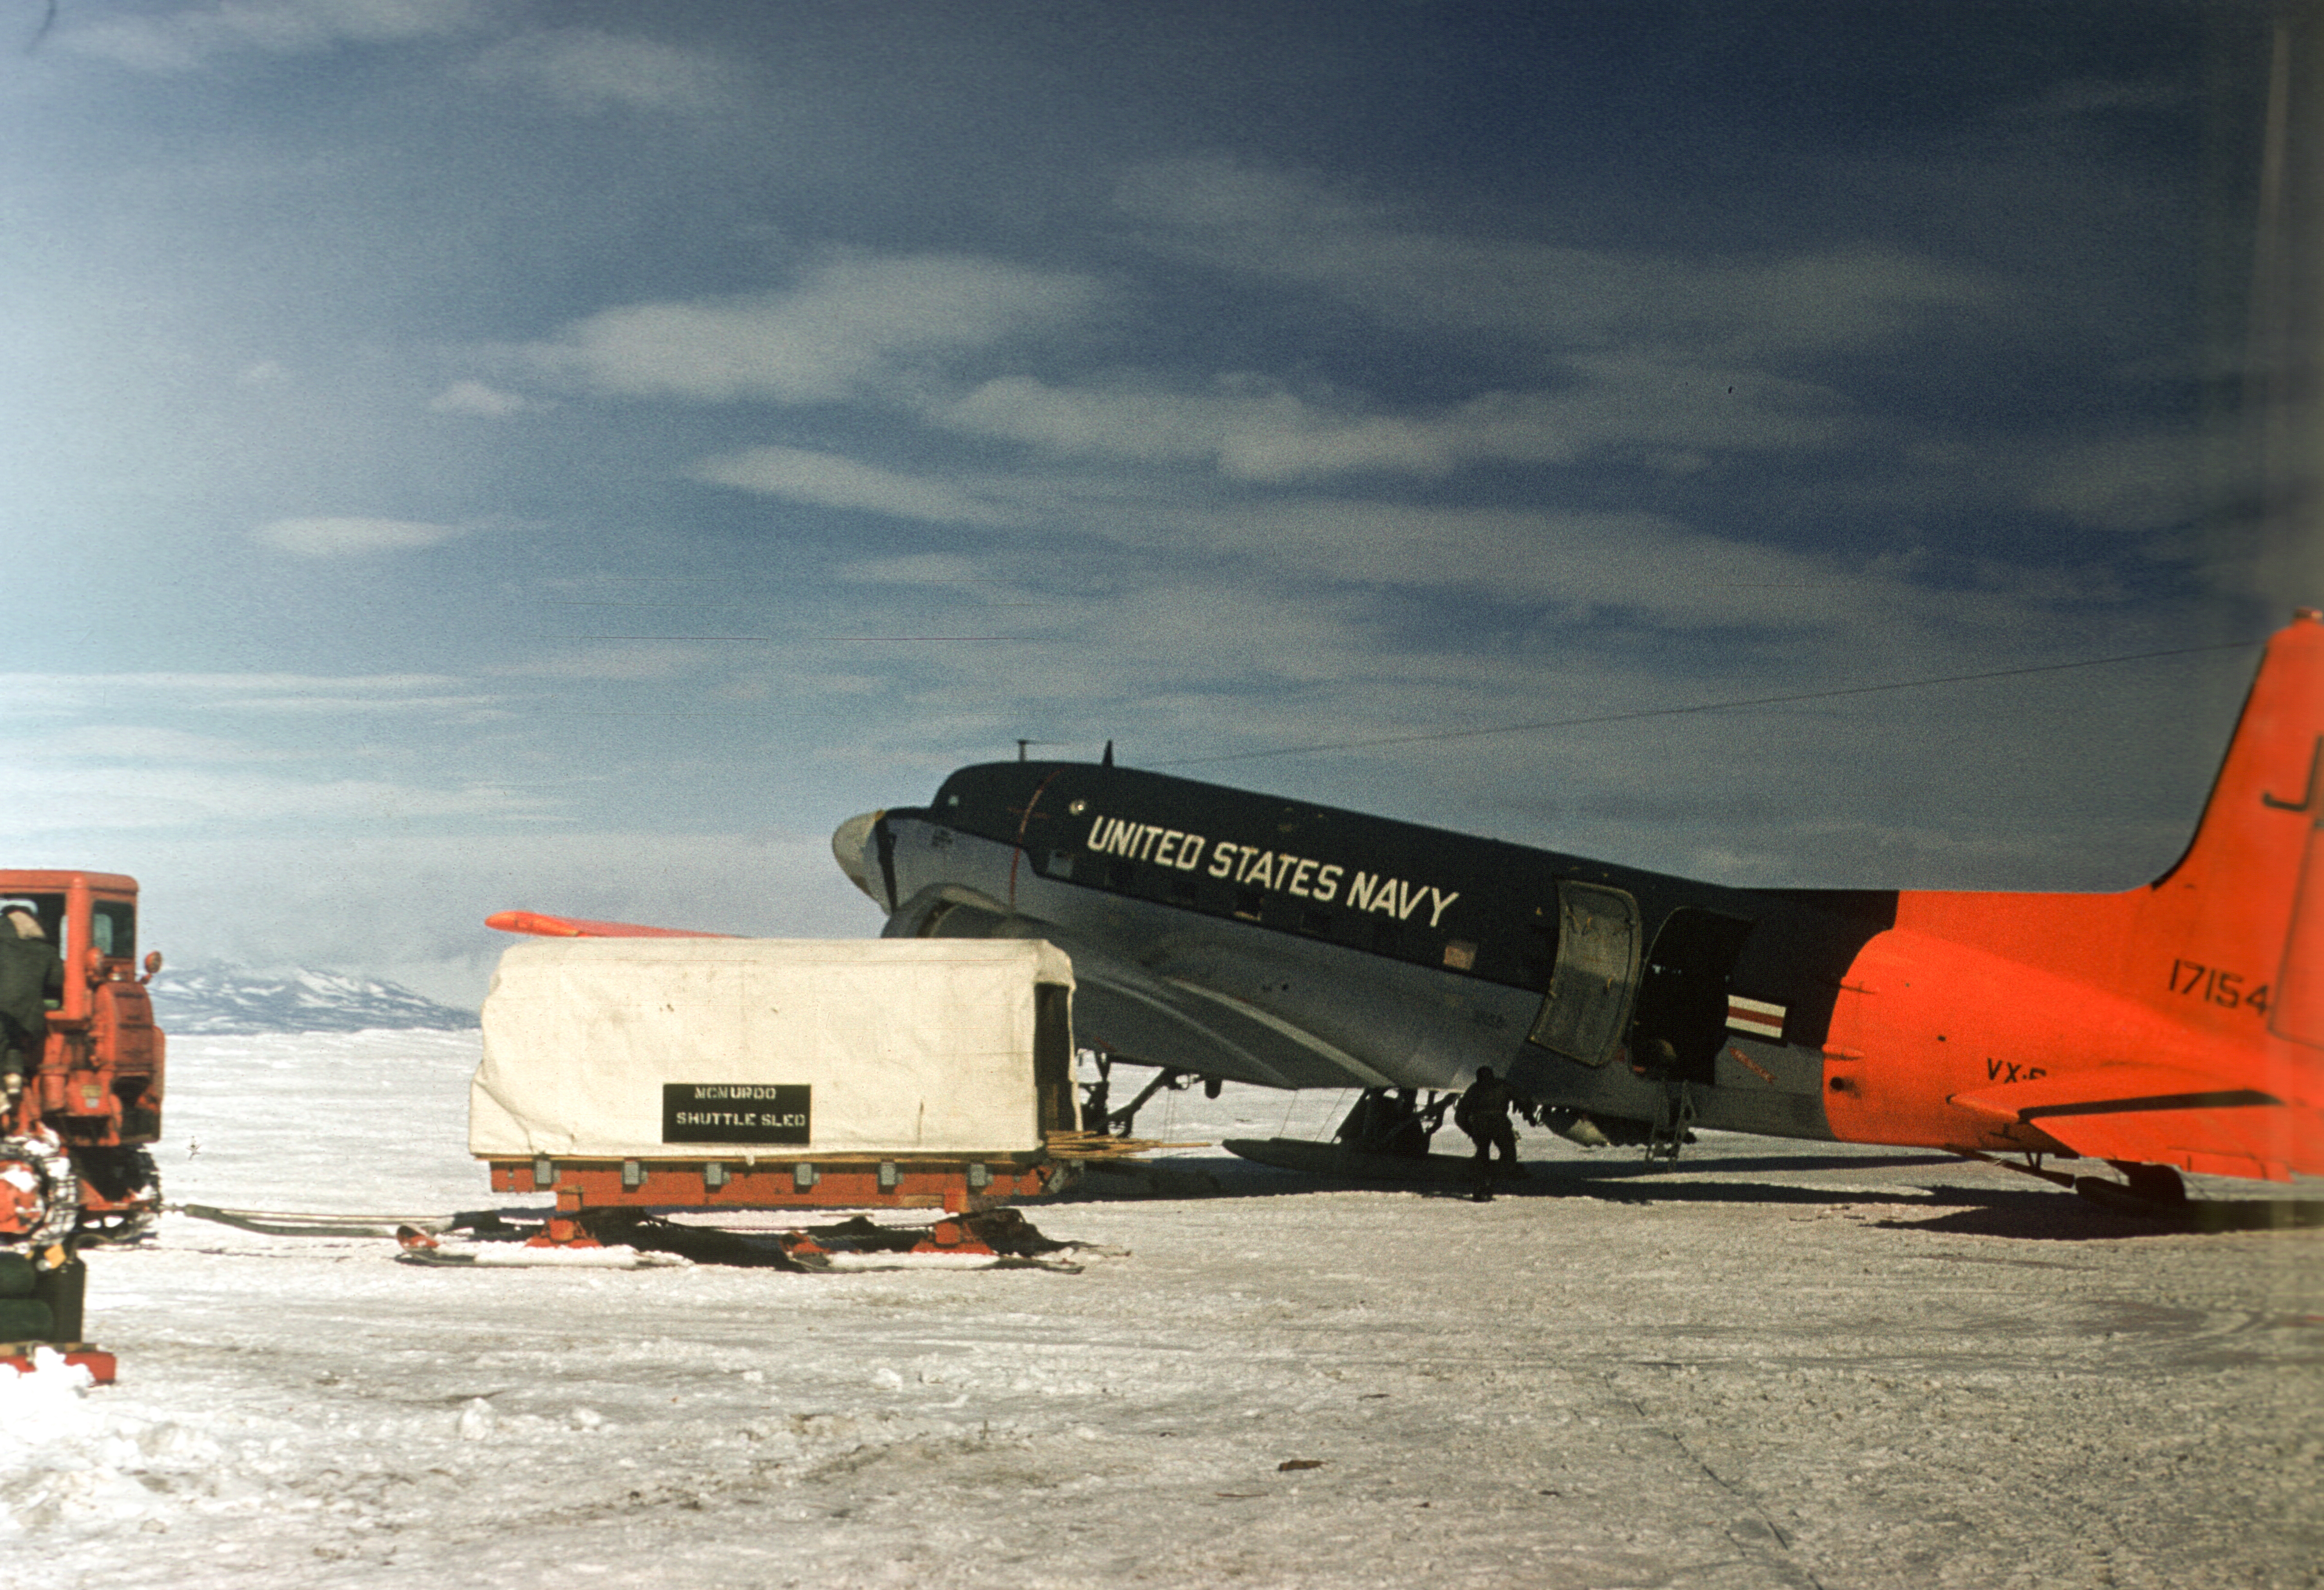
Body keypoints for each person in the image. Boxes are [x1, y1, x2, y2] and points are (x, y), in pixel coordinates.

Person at [0, 904, 63, 1107]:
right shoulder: (47, 950)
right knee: (13, 1038)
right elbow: (56, 981)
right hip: (29, 1015)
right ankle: (13, 1080)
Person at [1453, 1065, 1529, 1201]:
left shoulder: (1476, 1089)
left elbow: (1462, 1112)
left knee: (1484, 1157)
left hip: (1483, 1125)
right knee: (1506, 1154)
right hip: (1496, 1124)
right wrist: (1529, 1113)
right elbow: (1521, 1099)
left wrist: (1470, 1129)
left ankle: (1483, 1187)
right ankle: (1489, 1183)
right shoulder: (1501, 1086)